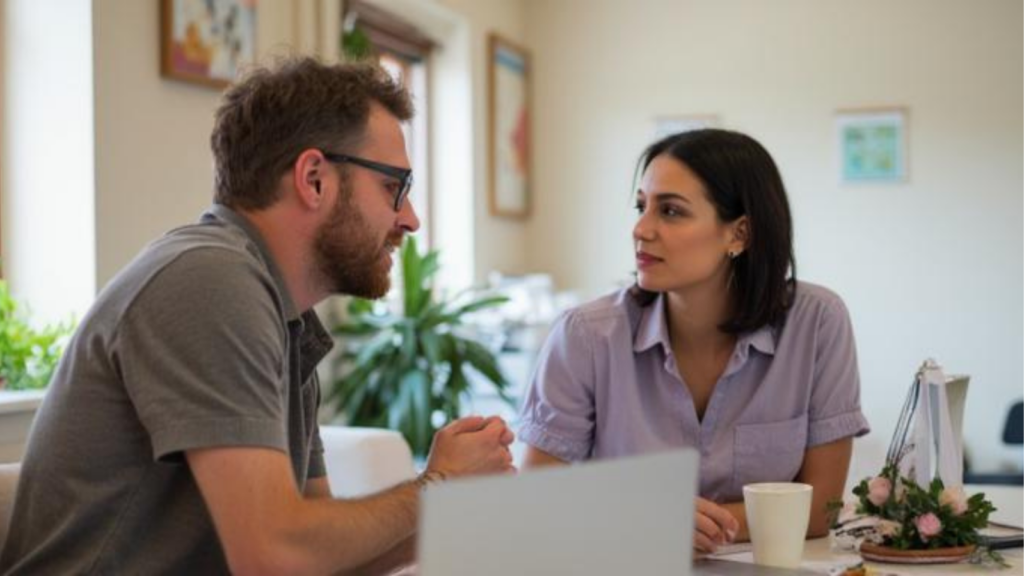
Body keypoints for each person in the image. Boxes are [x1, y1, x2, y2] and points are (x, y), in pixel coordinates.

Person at [0, 57, 515, 575]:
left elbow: (313, 557)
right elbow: (274, 557)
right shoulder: (209, 280)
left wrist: (456, 511)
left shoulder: (283, 320)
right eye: (393, 187)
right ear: (314, 179)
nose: (410, 218)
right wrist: (435, 485)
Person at [517, 129, 870, 554]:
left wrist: (691, 524)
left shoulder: (817, 322)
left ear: (739, 234)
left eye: (670, 211)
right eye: (641, 207)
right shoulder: (584, 336)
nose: (641, 229)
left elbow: (820, 509)